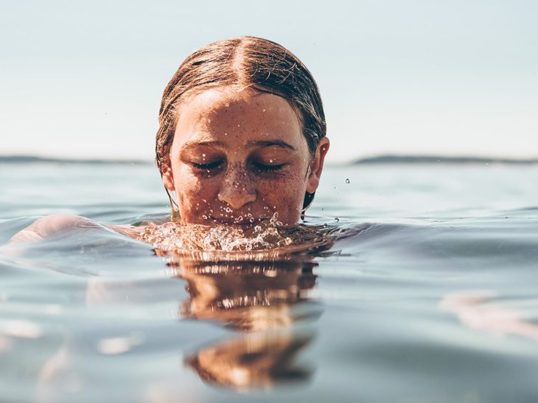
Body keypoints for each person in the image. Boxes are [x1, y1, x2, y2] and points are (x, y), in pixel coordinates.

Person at [9, 36, 330, 245]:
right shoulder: (72, 240)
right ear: (166, 166)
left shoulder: (359, 248)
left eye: (268, 163)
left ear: (314, 166)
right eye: (206, 163)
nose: (236, 194)